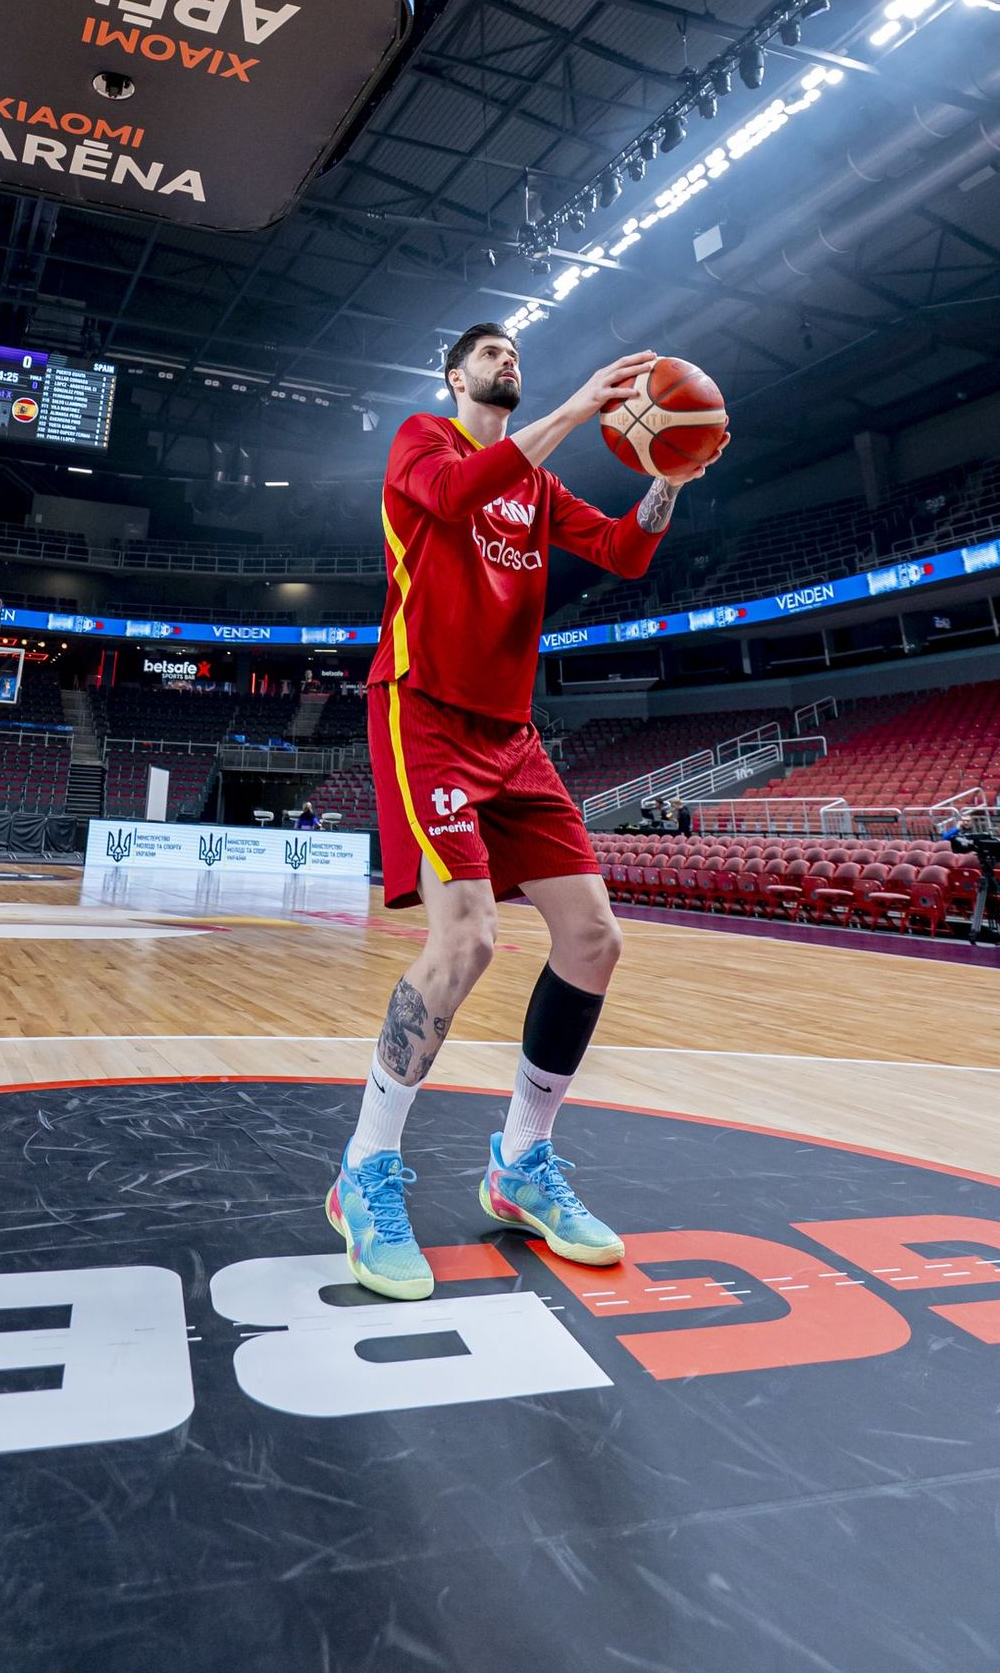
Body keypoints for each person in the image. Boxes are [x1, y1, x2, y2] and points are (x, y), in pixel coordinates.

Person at [326, 323, 729, 1300]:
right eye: (488, 353)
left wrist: (669, 468)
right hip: (422, 713)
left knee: (593, 940)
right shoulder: (423, 441)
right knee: (462, 941)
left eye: (514, 353)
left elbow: (624, 555)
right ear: (454, 375)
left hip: (512, 736)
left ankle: (519, 1165)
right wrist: (581, 405)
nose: (506, 360)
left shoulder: (539, 486)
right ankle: (362, 1170)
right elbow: (459, 495)